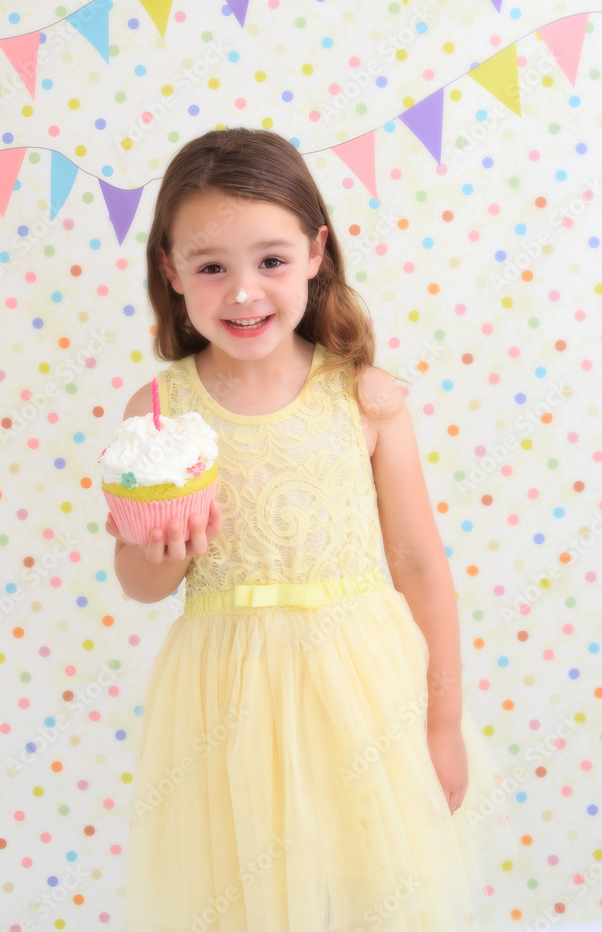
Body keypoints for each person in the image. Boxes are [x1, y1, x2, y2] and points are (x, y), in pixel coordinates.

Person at [107, 127, 524, 932]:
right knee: (249, 894)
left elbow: (419, 564)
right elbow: (139, 579)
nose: (243, 293)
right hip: (224, 697)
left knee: (368, 885)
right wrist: (161, 554)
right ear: (171, 271)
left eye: (270, 260)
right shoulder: (157, 412)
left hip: (361, 686)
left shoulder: (364, 395)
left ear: (314, 253)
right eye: (211, 267)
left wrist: (442, 725)